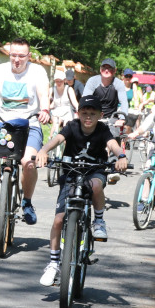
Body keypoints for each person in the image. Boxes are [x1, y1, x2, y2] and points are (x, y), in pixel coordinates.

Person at [36, 96, 128, 286]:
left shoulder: (103, 129)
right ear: (78, 113)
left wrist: (121, 156)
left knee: (95, 186)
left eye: (93, 114)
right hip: (71, 174)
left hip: (95, 171)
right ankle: (53, 264)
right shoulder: (72, 126)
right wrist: (43, 151)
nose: (88, 117)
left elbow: (112, 144)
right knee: (58, 220)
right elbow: (58, 139)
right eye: (84, 113)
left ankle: (99, 221)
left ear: (100, 115)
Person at [0, 38, 51, 223]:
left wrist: (45, 110)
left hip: (29, 124)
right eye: (13, 55)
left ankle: (27, 202)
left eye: (21, 56)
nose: (16, 60)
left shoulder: (37, 71)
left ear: (29, 56)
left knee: (28, 162)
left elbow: (43, 94)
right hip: (3, 123)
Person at [81, 57, 128, 183]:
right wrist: (82, 113)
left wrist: (122, 118)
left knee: (113, 135)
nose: (106, 70)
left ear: (114, 70)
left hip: (111, 117)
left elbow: (124, 101)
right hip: (94, 114)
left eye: (110, 68)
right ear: (100, 69)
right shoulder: (93, 81)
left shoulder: (118, 83)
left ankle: (112, 167)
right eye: (104, 67)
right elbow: (86, 98)